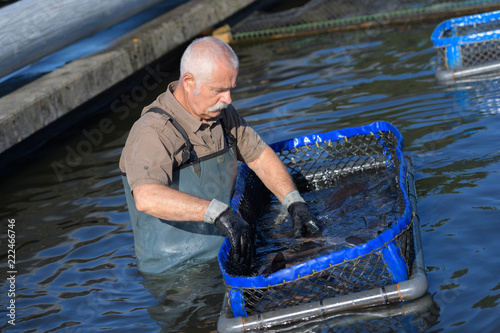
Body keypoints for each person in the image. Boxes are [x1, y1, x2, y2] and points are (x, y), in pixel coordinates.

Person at [119, 36, 320, 276]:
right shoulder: (152, 131)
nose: (228, 99)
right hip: (176, 271)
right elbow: (147, 197)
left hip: (227, 253)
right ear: (189, 82)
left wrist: (294, 203)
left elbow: (259, 156)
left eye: (230, 89)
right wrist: (220, 213)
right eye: (218, 90)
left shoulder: (221, 114)